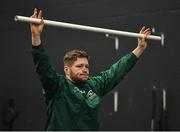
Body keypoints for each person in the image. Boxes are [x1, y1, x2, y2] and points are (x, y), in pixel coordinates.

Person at [30, 8, 151, 130]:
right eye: (79, 66)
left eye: (86, 66)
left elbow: (117, 71)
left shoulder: (94, 85)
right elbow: (42, 64)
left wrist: (140, 48)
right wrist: (36, 35)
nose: (84, 69)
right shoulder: (57, 86)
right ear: (66, 70)